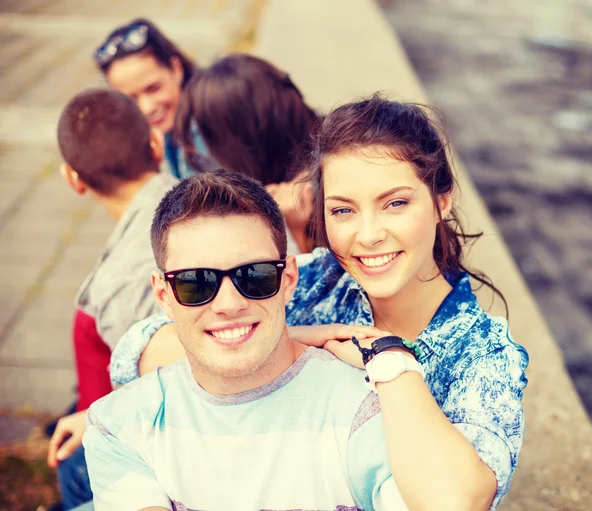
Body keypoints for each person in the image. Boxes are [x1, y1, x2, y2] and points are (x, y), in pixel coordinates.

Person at [112, 94, 529, 510]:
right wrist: (294, 338)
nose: (367, 235)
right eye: (343, 211)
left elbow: (458, 503)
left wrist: (388, 362)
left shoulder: (481, 352)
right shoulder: (315, 280)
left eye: (395, 204)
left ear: (441, 200)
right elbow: (136, 351)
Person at [84, 171, 409, 511]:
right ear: (163, 295)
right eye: (196, 283)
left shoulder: (366, 412)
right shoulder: (119, 425)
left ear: (288, 279)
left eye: (254, 276)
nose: (228, 305)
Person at [48, 88, 178, 510]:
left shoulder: (122, 282)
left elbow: (167, 392)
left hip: (159, 442)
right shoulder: (204, 194)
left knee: (74, 467)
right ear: (155, 145)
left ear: (73, 179)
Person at [174, 53, 318, 251]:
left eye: (211, 136)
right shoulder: (314, 150)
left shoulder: (321, 191)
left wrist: (294, 235)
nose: (205, 152)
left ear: (246, 138)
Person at [93, 18, 210, 178]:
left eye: (154, 88)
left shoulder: (209, 128)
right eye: (131, 99)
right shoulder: (171, 124)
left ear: (176, 69)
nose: (147, 108)